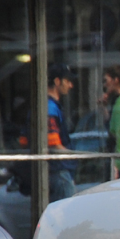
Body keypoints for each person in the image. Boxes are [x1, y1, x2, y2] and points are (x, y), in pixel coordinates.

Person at [46, 64, 77, 202]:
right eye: (67, 81)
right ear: (57, 81)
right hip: (58, 170)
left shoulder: (50, 106)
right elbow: (54, 144)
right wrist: (76, 156)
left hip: (55, 170)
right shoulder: (50, 107)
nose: (71, 85)